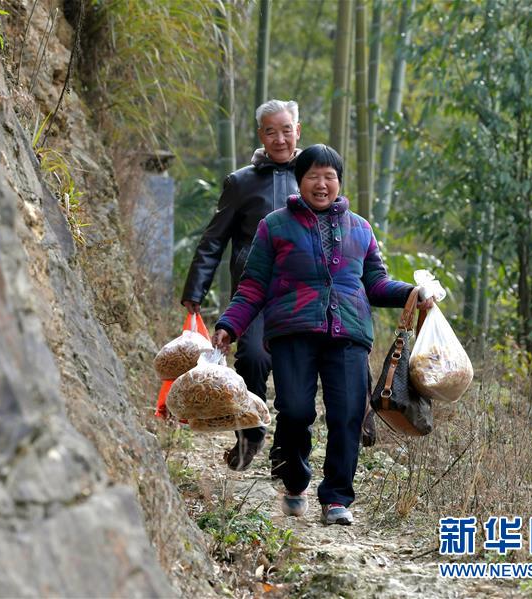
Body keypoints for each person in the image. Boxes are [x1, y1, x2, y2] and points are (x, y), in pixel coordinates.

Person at [211, 144, 434, 525]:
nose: (322, 183)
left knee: (347, 414)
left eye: (329, 176)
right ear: (300, 181)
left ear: (339, 182)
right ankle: (294, 481)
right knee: (295, 410)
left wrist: (412, 293)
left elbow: (376, 284)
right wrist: (229, 325)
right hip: (292, 332)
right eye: (313, 175)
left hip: (348, 334)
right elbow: (253, 285)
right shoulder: (274, 225)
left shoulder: (360, 228)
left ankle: (335, 499)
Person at [181, 99, 301, 471]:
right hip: (255, 291)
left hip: (304, 292)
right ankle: (249, 434)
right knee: (252, 356)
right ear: (260, 135)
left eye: (286, 130)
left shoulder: (314, 175)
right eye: (270, 131)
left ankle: (287, 451)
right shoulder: (241, 182)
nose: (279, 139)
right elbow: (214, 239)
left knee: (294, 370)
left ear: (298, 131)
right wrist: (195, 289)